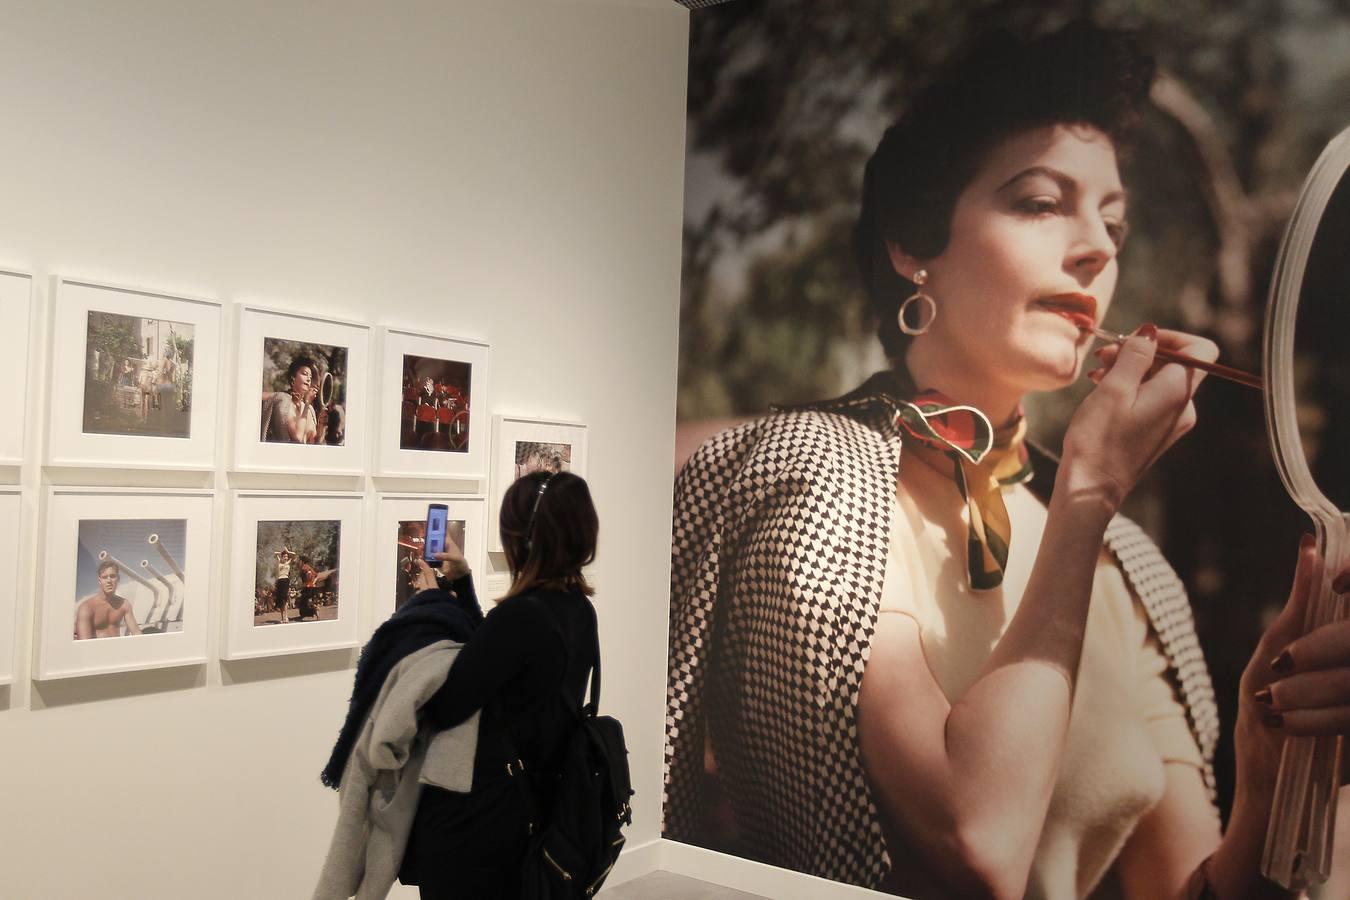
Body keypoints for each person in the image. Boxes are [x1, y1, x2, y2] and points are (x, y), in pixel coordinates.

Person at [663, 21, 1350, 900]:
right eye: (1038, 202)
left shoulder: (1126, 569)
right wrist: (1091, 492)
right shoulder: (811, 479)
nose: (1098, 248)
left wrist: (1261, 771)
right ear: (914, 246)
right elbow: (977, 843)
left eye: (1113, 220)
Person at [74, 560, 142, 640]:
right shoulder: (86, 608)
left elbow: (137, 634)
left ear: (118, 578)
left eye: (112, 576)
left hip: (118, 649)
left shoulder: (124, 604)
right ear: (100, 581)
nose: (109, 581)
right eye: (105, 577)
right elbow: (84, 644)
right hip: (97, 650)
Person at [260, 355, 321, 444]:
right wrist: (307, 404)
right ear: (293, 377)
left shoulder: (311, 410)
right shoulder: (284, 401)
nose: (308, 379)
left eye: (310, 377)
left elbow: (316, 442)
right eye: (304, 374)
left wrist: (322, 427)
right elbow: (297, 438)